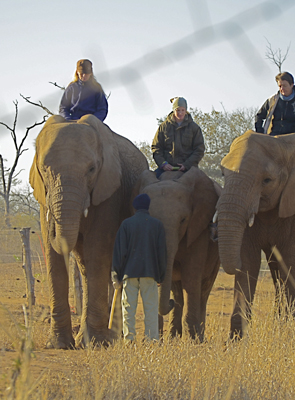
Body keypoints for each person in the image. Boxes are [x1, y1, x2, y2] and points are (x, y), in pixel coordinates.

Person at [111, 193, 167, 342]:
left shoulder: (126, 224)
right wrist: (161, 276)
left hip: (129, 274)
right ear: (148, 207)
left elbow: (119, 252)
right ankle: (151, 340)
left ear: (135, 207)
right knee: (150, 309)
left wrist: (115, 274)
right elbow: (162, 254)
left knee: (128, 309)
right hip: (150, 274)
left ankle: (129, 339)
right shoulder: (157, 225)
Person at [152, 97, 205, 178]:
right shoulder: (164, 126)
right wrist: (163, 164)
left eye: (183, 110)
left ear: (186, 110)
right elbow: (156, 147)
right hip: (165, 168)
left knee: (203, 186)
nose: (180, 113)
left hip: (188, 169)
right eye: (178, 110)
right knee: (150, 182)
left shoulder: (194, 128)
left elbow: (199, 149)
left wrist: (187, 165)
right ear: (173, 110)